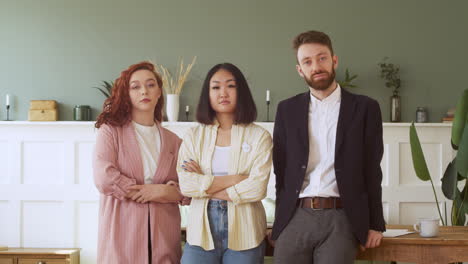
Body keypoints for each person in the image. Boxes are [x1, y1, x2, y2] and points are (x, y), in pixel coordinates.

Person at [271, 30, 386, 264]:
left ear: (334, 60)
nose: (316, 66)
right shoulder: (286, 110)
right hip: (296, 216)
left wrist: (375, 223)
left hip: (342, 218)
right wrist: (279, 223)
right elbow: (280, 171)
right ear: (300, 70)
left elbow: (372, 170)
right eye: (307, 61)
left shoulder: (365, 109)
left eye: (322, 58)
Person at [178, 63, 272, 264]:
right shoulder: (193, 136)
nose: (223, 93)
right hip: (199, 236)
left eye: (230, 86)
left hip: (246, 234)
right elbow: (186, 185)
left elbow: (257, 188)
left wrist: (204, 185)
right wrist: (237, 179)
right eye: (215, 87)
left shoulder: (259, 136)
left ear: (241, 91)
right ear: (207, 94)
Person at [93, 61, 185, 264]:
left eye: (151, 85)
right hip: (122, 238)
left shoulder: (174, 141)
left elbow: (190, 186)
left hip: (165, 239)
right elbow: (104, 177)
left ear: (159, 91)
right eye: (135, 86)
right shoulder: (110, 131)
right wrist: (152, 191)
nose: (144, 90)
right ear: (127, 94)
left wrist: (169, 191)